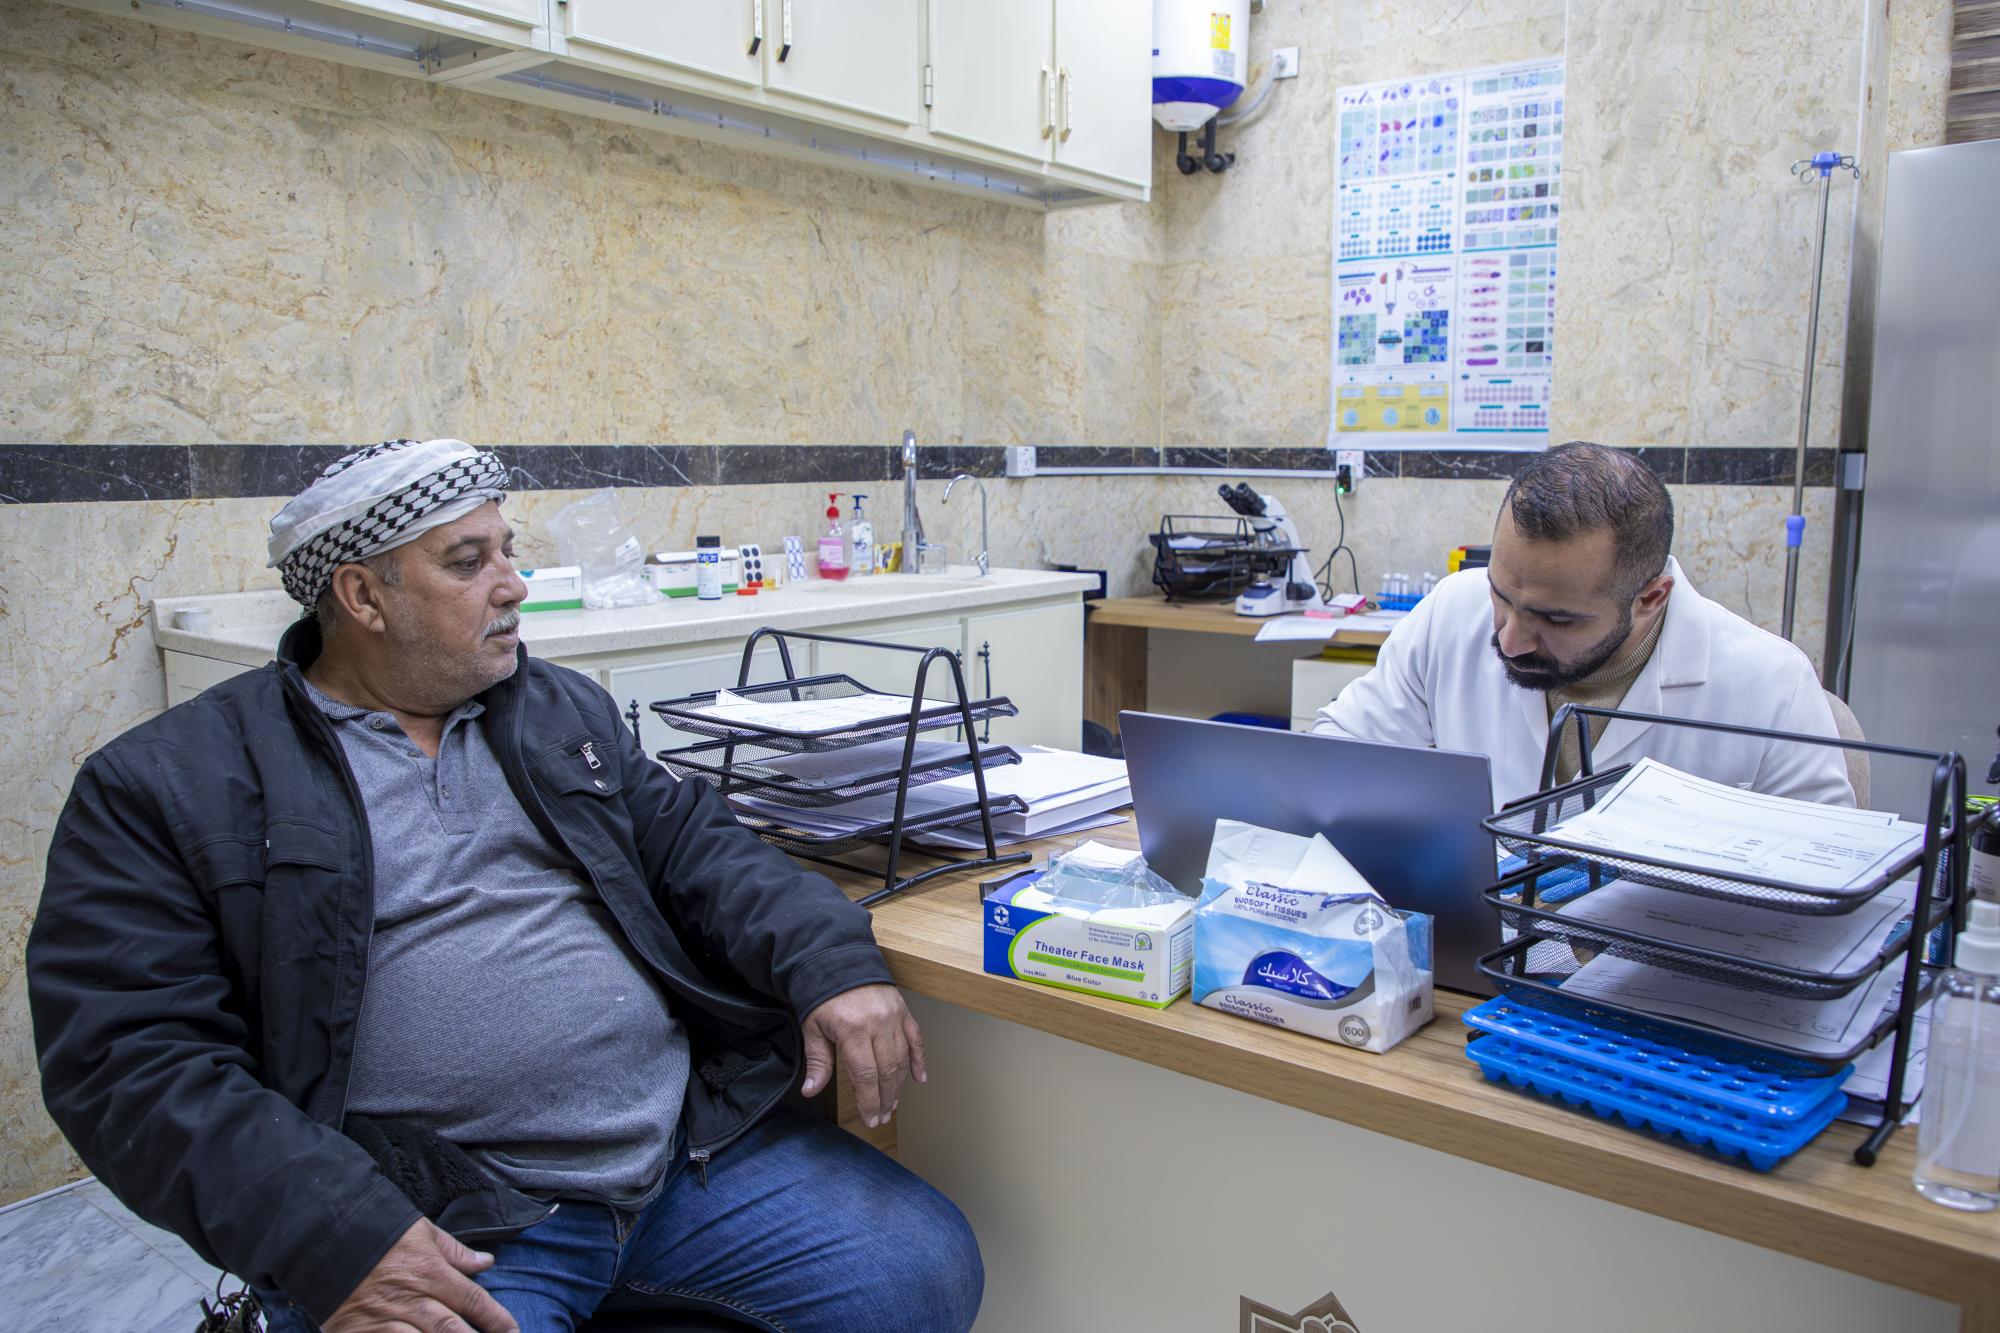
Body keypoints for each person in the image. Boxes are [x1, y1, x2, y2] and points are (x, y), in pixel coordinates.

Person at [28, 439, 982, 1333]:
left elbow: (700, 846)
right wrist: (335, 1232)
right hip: (446, 1217)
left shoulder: (553, 710)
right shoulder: (173, 783)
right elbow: (128, 1060)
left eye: (507, 551)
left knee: (919, 1268)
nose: (513, 584)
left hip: (679, 1158)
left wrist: (830, 962)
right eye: (468, 561)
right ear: (362, 595)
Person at [1312, 442, 1854, 809]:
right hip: (1475, 940)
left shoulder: (1770, 685)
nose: (1510, 640)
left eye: (1557, 618)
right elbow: (1336, 755)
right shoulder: (1452, 611)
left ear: (1651, 597)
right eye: (1501, 595)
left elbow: (1821, 878)